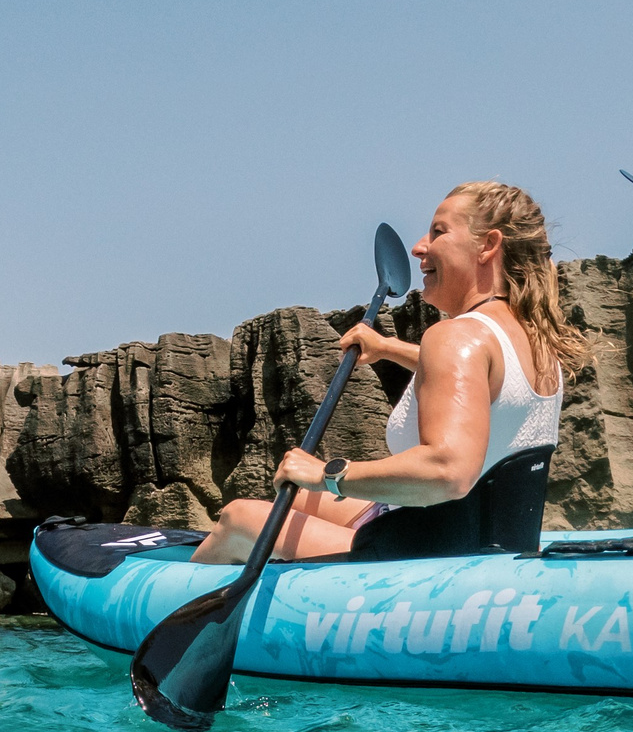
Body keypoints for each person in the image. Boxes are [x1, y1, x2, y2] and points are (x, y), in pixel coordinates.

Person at [191, 181, 586, 564]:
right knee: (294, 493)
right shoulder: (531, 339)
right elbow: (478, 386)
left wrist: (329, 473)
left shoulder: (455, 336)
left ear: (488, 245)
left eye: (438, 231)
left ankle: (159, 619)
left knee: (237, 518)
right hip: (487, 540)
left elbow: (448, 471)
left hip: (428, 557)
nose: (419, 248)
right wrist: (387, 348)